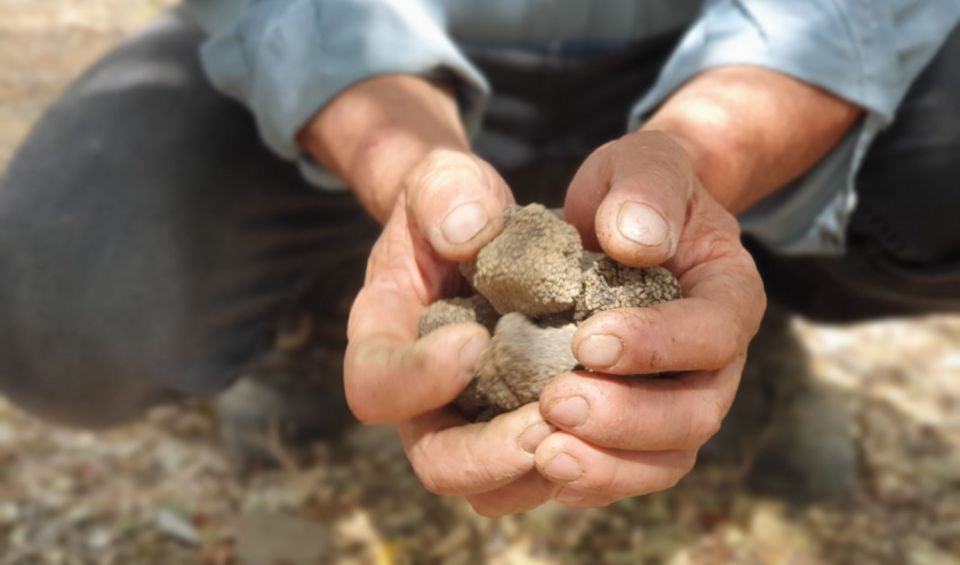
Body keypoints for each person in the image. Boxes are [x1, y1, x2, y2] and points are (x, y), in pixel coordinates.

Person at [0, 1, 957, 516]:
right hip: (377, 64)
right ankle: (325, 312)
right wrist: (404, 162)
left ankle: (740, 297)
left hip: (712, 66)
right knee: (51, 294)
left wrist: (698, 163)